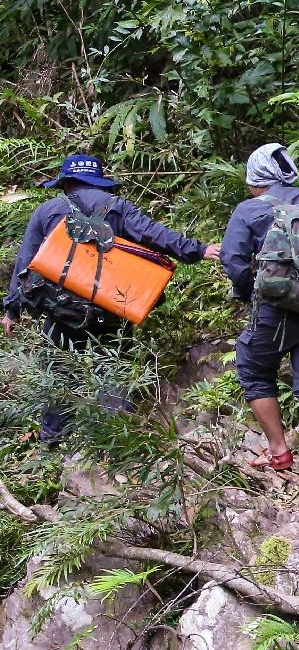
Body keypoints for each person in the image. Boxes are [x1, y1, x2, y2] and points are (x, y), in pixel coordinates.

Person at [2, 153, 218, 440]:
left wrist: (12, 310)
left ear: (66, 183)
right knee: (113, 368)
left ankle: (52, 439)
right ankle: (113, 438)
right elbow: (154, 236)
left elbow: (25, 263)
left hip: (60, 309)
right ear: (99, 182)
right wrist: (199, 250)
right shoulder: (116, 207)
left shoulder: (47, 211)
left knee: (57, 369)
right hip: (110, 307)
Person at [220, 143, 299, 505]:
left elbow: (233, 261)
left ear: (256, 178)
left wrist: (249, 292)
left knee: (255, 369)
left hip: (275, 312)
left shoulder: (250, 210)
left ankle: (278, 451)